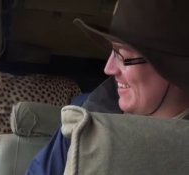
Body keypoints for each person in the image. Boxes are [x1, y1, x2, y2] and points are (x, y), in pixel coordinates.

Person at [25, 0, 189, 174]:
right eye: (112, 51)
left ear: (171, 68)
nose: (108, 68)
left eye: (122, 55)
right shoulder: (85, 116)